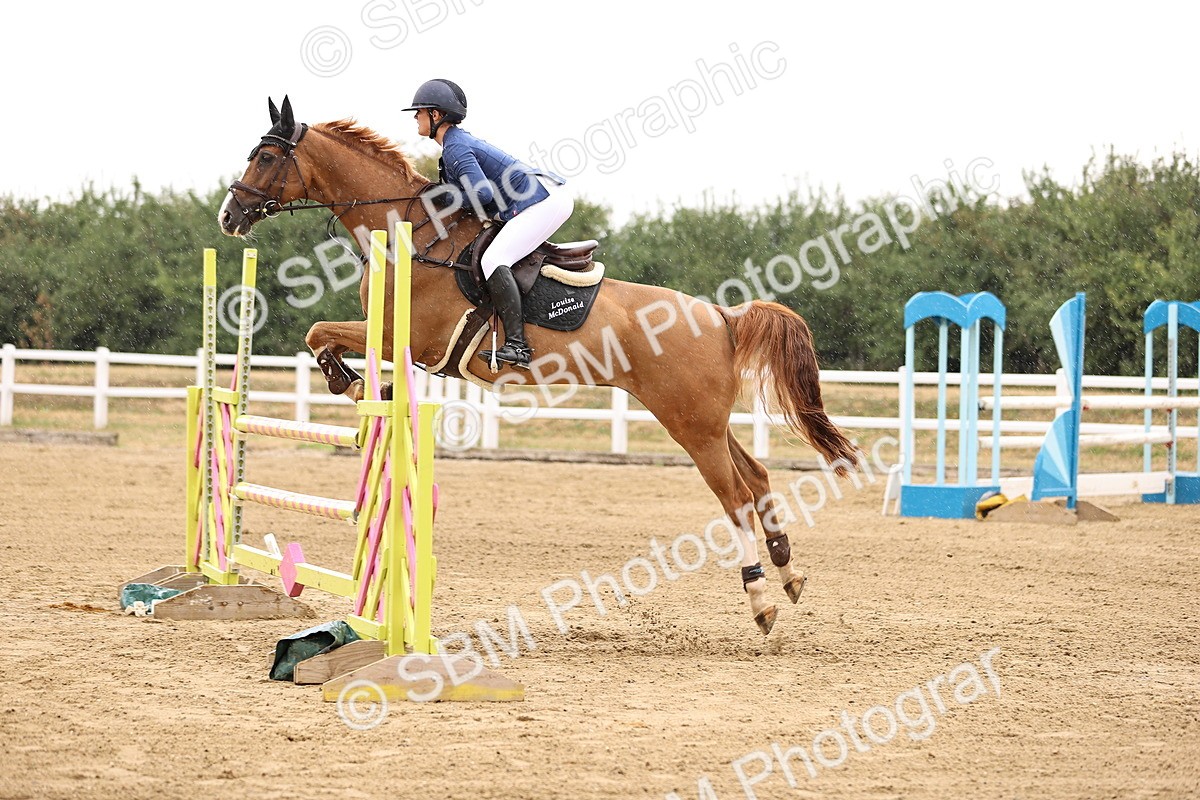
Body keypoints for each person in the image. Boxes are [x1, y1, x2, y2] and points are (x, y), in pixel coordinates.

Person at [403, 78, 573, 370]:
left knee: (495, 258)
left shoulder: (455, 148)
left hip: (542, 201)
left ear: (435, 115)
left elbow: (481, 193)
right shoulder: (454, 145)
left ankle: (518, 346)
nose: (415, 117)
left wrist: (446, 196)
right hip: (537, 199)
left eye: (419, 111)